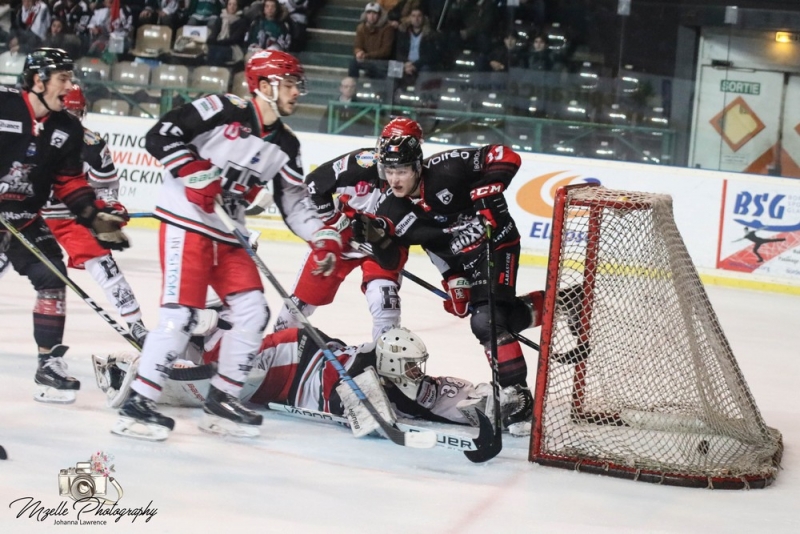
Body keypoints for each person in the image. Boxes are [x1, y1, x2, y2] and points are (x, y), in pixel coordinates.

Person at [114, 50, 322, 442]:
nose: (297, 92)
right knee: (181, 318)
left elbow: (294, 202)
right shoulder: (224, 108)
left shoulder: (287, 145)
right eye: (290, 83)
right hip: (187, 224)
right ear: (265, 85)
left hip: (228, 234)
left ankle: (222, 398)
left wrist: (323, 238)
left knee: (251, 312)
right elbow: (161, 134)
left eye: (297, 84)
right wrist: (194, 172)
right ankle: (137, 403)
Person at [367, 135, 560, 435]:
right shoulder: (392, 209)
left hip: (496, 241)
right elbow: (402, 258)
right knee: (499, 320)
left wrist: (493, 184)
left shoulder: (448, 167)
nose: (394, 179)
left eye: (402, 170)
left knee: (486, 320)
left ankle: (517, 395)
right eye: (389, 171)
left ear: (417, 166)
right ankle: (561, 305)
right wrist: (378, 240)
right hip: (464, 263)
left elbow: (504, 154)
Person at [94, 325, 527, 433]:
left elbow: (445, 394)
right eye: (411, 366)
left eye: (418, 365)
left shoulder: (405, 376)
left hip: (302, 360)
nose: (417, 373)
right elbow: (356, 378)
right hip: (291, 359)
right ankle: (133, 372)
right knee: (217, 382)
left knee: (222, 370)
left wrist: (496, 402)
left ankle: (165, 350)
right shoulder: (368, 366)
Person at [0, 48, 130, 404]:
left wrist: (93, 216)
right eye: (63, 78)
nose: (70, 86)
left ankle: (48, 364)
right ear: (38, 80)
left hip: (23, 216)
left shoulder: (67, 128)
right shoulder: (3, 104)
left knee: (53, 277)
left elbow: (69, 181)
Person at [274, 117, 422, 340]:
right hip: (342, 243)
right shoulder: (360, 164)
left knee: (385, 308)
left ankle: (385, 363)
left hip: (382, 246)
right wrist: (333, 222)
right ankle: (275, 350)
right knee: (300, 305)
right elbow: (314, 184)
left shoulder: (417, 178)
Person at [35, 85, 147, 346]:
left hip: (71, 218)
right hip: (31, 213)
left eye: (76, 112)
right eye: (67, 110)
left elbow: (106, 188)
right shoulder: (32, 135)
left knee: (105, 265)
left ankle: (136, 324)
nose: (71, 117)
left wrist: (110, 207)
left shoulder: (92, 146)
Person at [348, 2, 395, 79]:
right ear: (365, 15)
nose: (371, 16)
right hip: (367, 59)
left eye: (374, 13)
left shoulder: (387, 28)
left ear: (379, 15)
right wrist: (358, 52)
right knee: (353, 63)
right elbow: (357, 45)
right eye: (369, 13)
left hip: (382, 61)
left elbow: (386, 51)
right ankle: (353, 85)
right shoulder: (361, 28)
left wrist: (367, 55)